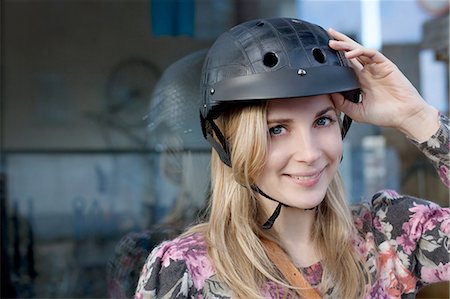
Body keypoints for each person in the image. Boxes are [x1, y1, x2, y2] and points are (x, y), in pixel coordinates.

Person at [135, 17, 449, 299]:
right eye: (277, 129)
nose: (310, 153)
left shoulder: (387, 234)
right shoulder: (185, 271)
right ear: (228, 144)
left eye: (323, 121)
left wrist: (417, 117)